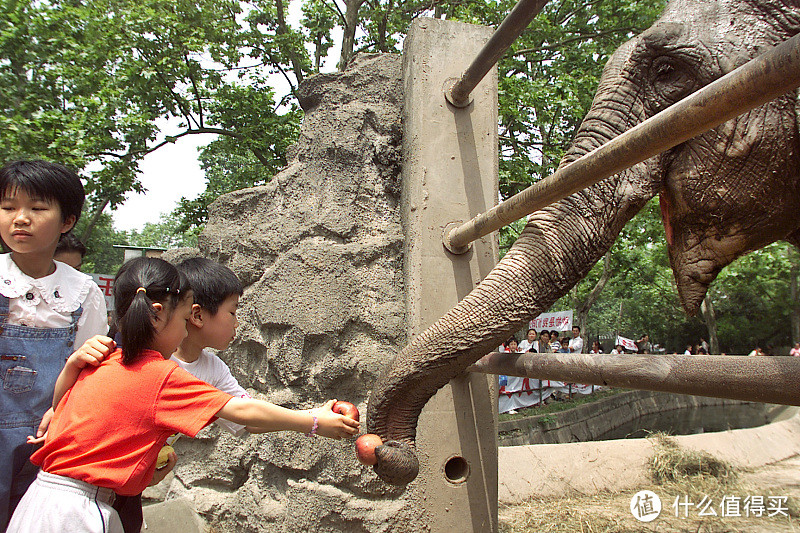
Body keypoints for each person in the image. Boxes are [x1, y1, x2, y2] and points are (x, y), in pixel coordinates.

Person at [7, 257, 359, 532]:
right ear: (161, 316)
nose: (184, 330)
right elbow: (243, 414)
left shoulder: (109, 359)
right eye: (181, 321)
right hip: (78, 512)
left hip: (42, 500)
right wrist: (313, 422)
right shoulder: (160, 373)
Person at [0, 160, 108, 530]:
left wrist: (63, 410)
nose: (20, 219)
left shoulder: (83, 292)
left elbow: (91, 371)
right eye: (9, 207)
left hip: (46, 439)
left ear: (67, 221)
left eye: (37, 208)